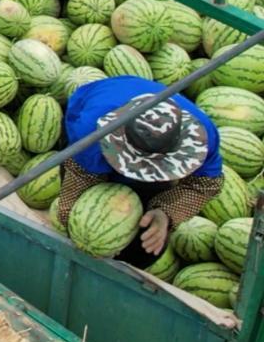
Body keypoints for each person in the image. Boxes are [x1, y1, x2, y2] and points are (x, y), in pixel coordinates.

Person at [57, 76, 224, 267]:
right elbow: (75, 189)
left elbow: (206, 184)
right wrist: (83, 229)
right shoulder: (90, 134)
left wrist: (166, 214)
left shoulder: (204, 137)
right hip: (91, 115)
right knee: (74, 221)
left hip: (127, 113)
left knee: (145, 250)